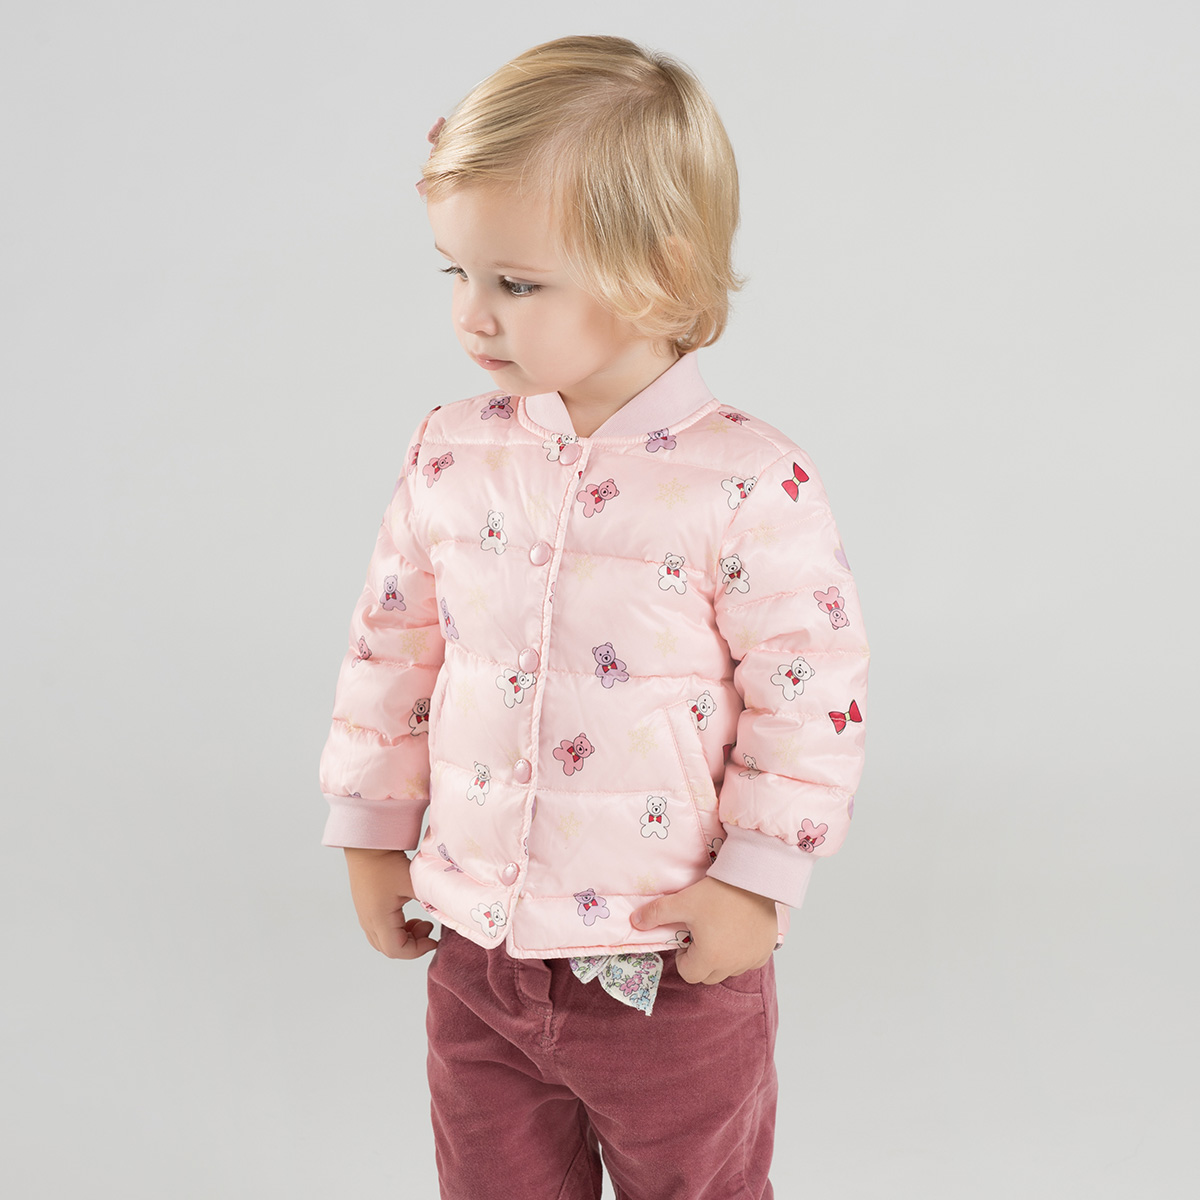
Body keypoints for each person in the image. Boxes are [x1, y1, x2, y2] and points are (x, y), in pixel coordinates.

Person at [317, 34, 870, 1200]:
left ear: (657, 274)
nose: (473, 317)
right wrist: (371, 830)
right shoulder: (450, 451)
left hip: (666, 961)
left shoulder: (747, 482)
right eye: (455, 273)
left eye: (517, 284)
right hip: (479, 955)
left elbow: (807, 696)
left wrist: (759, 879)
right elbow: (390, 652)